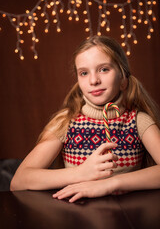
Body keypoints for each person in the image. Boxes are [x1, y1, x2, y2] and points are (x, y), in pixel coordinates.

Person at [10, 35, 160, 203]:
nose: (94, 80)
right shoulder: (66, 122)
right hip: (77, 216)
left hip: (129, 216)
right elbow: (19, 181)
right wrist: (81, 172)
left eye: (104, 69)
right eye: (84, 73)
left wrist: (111, 184)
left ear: (123, 79)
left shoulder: (138, 121)